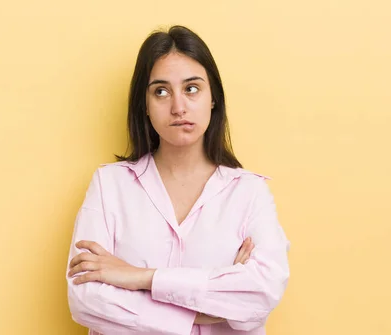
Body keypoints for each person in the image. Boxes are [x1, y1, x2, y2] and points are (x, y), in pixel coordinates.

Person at [66, 25, 290, 335]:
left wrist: (140, 278)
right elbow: (85, 300)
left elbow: (261, 294)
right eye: (161, 91)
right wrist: (203, 311)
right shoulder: (109, 185)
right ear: (144, 104)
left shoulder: (250, 192)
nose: (178, 107)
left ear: (213, 98)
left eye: (192, 88)